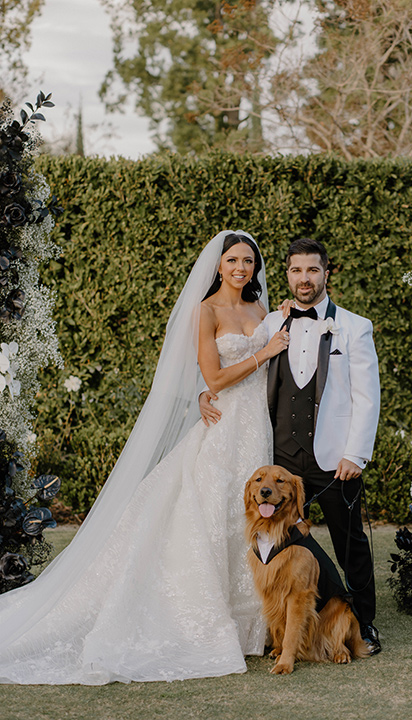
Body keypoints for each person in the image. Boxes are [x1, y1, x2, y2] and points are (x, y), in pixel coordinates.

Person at [0, 230, 288, 685]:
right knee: (211, 518)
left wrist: (272, 342)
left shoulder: (261, 310)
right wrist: (256, 358)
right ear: (218, 265)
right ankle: (208, 620)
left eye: (248, 261)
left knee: (249, 520)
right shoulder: (206, 310)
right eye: (232, 260)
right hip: (223, 427)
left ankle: (258, 626)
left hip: (257, 429)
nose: (241, 268)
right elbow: (211, 375)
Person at [201, 238, 381, 654]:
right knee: (277, 543)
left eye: (313, 270)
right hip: (280, 460)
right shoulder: (269, 324)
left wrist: (355, 453)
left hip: (335, 459)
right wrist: (204, 394)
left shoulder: (355, 326)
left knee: (349, 542)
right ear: (287, 275)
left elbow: (366, 396)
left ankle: (364, 624)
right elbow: (239, 368)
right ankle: (278, 624)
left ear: (326, 273)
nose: (304, 278)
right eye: (296, 271)